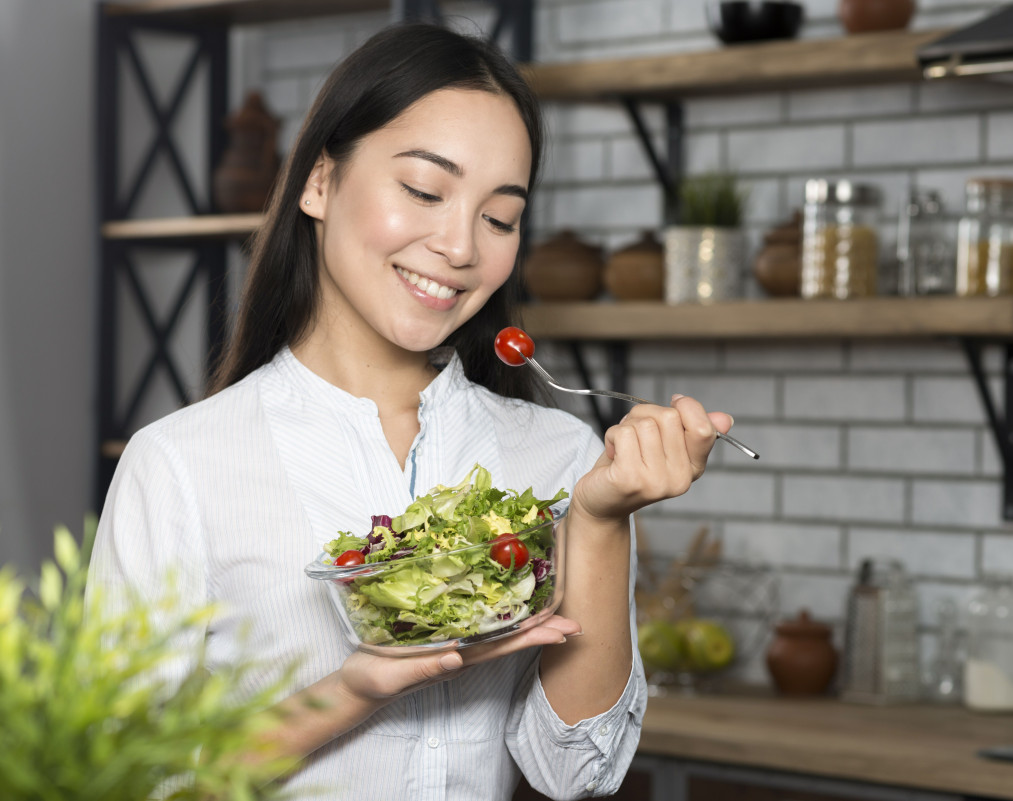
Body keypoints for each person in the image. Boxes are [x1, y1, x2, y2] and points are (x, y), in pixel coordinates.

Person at [85, 21, 735, 801]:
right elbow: (119, 778)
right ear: (319, 182)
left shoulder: (558, 452)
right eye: (425, 191)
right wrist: (356, 687)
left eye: (499, 218)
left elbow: (577, 769)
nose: (461, 246)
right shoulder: (180, 465)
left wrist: (598, 520)